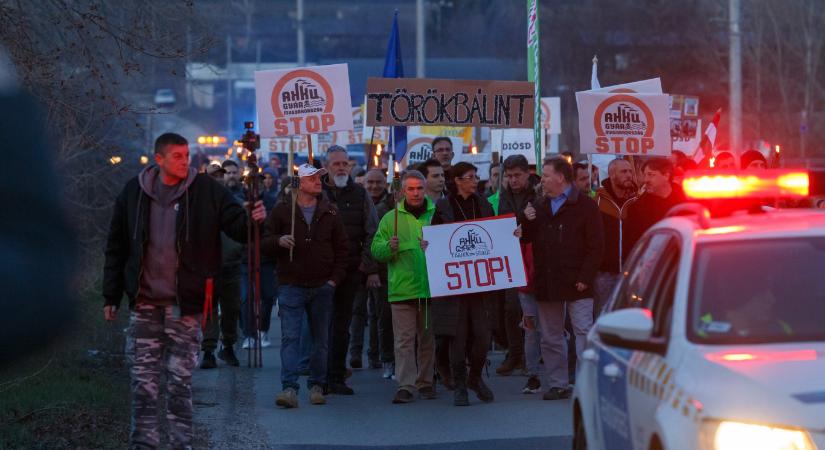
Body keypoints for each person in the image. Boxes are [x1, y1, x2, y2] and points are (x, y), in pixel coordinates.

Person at [103, 133, 265, 448]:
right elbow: (117, 246)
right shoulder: (133, 193)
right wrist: (111, 295)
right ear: (159, 158)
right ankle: (144, 444)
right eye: (176, 155)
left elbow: (237, 226)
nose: (184, 161)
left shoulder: (206, 192)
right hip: (144, 305)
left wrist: (254, 219)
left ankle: (181, 444)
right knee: (143, 386)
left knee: (180, 385)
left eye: (186, 155)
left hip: (185, 305)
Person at [262, 163, 349, 408]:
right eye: (312, 178)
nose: (319, 182)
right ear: (300, 183)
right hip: (291, 284)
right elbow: (264, 242)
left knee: (320, 340)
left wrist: (334, 280)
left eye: (319, 178)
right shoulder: (282, 212)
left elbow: (343, 248)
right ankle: (289, 388)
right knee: (290, 338)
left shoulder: (330, 212)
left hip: (322, 285)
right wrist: (278, 240)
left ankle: (317, 385)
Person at [522, 156, 604, 401]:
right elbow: (524, 238)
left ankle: (585, 383)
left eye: (546, 176)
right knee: (551, 336)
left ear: (560, 177)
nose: (542, 180)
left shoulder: (587, 206)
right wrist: (525, 220)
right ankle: (558, 383)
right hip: (548, 281)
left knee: (583, 332)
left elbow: (596, 246)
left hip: (578, 282)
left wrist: (586, 276)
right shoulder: (538, 205)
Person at [432, 162, 496, 406]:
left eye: (475, 176)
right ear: (457, 180)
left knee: (482, 336)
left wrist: (511, 235)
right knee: (458, 338)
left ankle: (475, 378)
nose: (474, 180)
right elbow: (436, 237)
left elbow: (494, 233)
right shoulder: (444, 206)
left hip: (479, 283)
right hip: (455, 284)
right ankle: (460, 385)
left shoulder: (483, 204)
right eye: (469, 177)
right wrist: (429, 244)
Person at [371, 170, 437, 403]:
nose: (416, 193)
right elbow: (376, 251)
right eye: (411, 189)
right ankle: (406, 384)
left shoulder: (436, 214)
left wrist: (435, 246)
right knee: (404, 341)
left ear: (425, 189)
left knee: (427, 339)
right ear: (402, 191)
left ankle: (426, 382)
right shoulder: (390, 218)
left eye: (419, 188)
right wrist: (389, 247)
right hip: (402, 290)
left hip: (430, 288)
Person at [322, 145, 380, 395]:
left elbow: (372, 230)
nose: (342, 167)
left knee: (342, 324)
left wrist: (364, 264)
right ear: (326, 167)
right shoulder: (316, 192)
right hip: (321, 271)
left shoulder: (359, 194)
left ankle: (336, 375)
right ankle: (319, 375)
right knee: (321, 324)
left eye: (345, 163)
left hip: (349, 270)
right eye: (336, 164)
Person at [493, 155, 535, 380]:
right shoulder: (504, 195)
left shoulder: (538, 191)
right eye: (509, 176)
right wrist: (520, 218)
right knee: (511, 308)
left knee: (532, 309)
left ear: (527, 173)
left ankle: (531, 355)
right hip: (511, 255)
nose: (513, 180)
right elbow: (504, 221)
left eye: (517, 175)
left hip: (533, 255)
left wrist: (522, 220)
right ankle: (515, 353)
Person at [360, 169, 396, 377]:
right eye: (370, 182)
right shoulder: (382, 210)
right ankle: (382, 357)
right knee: (379, 316)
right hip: (380, 271)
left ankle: (382, 355)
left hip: (402, 272)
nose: (374, 186)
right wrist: (371, 270)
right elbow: (373, 239)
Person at [594, 158, 639, 315]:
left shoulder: (637, 201)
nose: (629, 175)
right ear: (612, 174)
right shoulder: (597, 201)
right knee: (603, 315)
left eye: (630, 172)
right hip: (605, 273)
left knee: (631, 315)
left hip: (632, 272)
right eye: (623, 171)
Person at [623, 158, 685, 260]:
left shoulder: (686, 201)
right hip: (653, 264)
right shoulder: (637, 208)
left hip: (683, 260)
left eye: (651, 175)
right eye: (645, 175)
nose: (645, 180)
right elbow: (631, 245)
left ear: (666, 175)